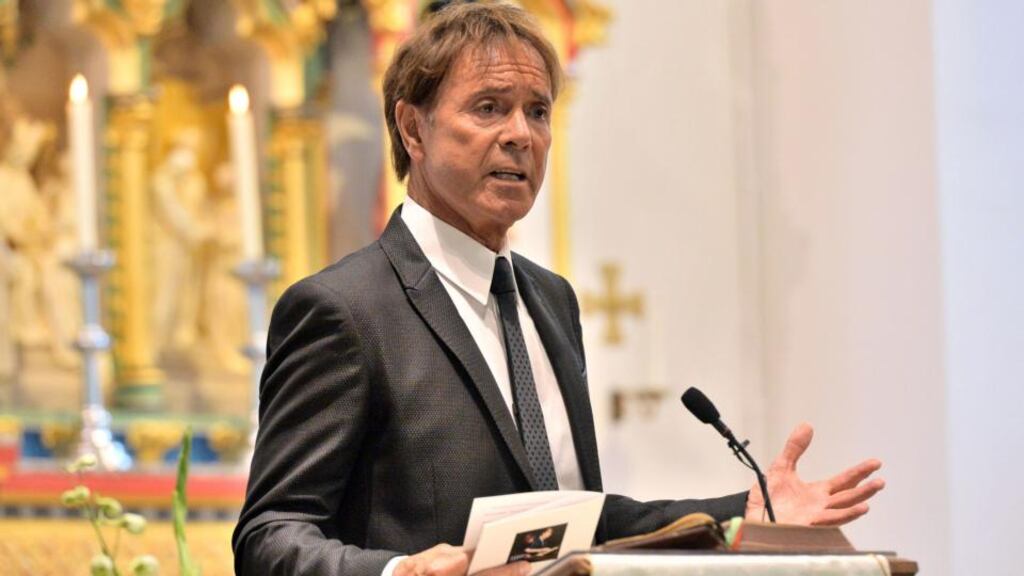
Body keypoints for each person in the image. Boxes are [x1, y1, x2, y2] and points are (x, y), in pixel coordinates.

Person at [232, 3, 884, 576]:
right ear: (413, 129)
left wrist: (746, 511)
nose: (522, 133)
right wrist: (400, 572)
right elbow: (269, 538)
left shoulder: (549, 300)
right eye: (489, 107)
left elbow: (575, 515)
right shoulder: (346, 311)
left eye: (537, 111)